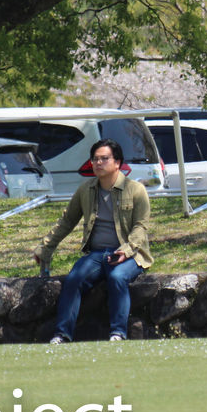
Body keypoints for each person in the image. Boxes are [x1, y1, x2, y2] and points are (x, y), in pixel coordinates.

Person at [33, 138, 152, 343]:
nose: (98, 163)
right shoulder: (85, 190)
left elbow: (141, 227)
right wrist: (45, 249)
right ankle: (62, 334)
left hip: (131, 255)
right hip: (97, 255)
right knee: (74, 279)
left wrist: (127, 250)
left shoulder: (136, 190)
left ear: (117, 162)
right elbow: (67, 221)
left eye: (104, 159)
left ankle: (118, 333)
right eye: (95, 159)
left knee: (117, 278)